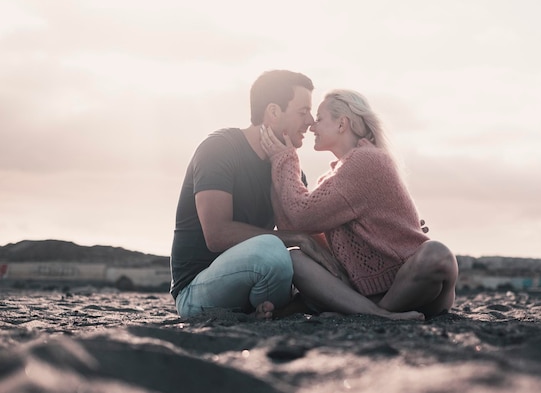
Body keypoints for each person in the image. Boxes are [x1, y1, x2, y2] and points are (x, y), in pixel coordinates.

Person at [260, 89, 459, 319]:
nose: (312, 126)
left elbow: (300, 216)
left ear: (342, 124)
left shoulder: (366, 160)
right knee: (294, 258)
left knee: (437, 252)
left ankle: (375, 314)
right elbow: (294, 227)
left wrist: (285, 159)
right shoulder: (333, 176)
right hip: (366, 291)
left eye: (320, 119)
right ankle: (373, 311)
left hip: (410, 284)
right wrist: (276, 168)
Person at [171, 69, 324, 319]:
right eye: (302, 111)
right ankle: (276, 310)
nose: (311, 121)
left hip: (259, 282)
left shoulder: (291, 170)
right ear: (274, 112)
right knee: (272, 251)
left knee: (290, 257)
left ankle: (264, 314)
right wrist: (299, 238)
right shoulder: (220, 148)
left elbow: (300, 227)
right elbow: (217, 234)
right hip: (196, 291)